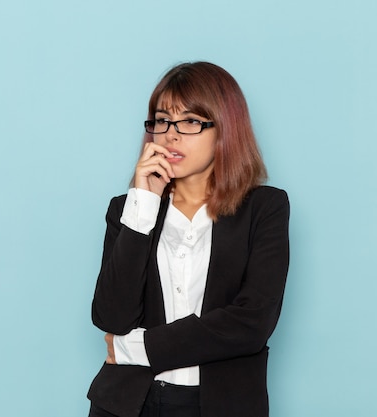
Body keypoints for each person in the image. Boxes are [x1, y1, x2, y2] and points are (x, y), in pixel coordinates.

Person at [87, 62, 290, 417]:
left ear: (225, 129)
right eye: (162, 120)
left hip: (222, 405)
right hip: (127, 405)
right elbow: (112, 318)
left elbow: (252, 324)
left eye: (191, 121)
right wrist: (143, 203)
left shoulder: (265, 208)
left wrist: (137, 348)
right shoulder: (129, 210)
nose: (170, 135)